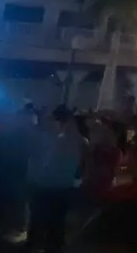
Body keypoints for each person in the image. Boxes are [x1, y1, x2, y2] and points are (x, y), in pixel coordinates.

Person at [26, 105, 88, 253]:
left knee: (40, 220)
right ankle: (51, 246)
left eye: (52, 119)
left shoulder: (56, 139)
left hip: (47, 185)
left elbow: (42, 162)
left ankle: (36, 244)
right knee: (56, 223)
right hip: (63, 186)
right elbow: (81, 165)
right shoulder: (81, 141)